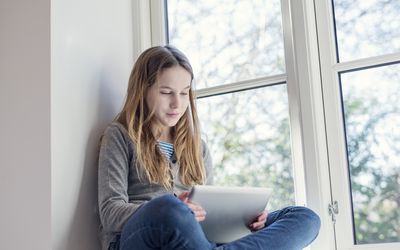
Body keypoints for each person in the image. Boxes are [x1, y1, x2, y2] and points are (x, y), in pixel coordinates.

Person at [98, 45, 321, 250]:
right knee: (168, 209)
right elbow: (110, 212)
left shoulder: (197, 147)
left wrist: (245, 219)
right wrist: (176, 207)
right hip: (140, 237)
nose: (177, 104)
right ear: (143, 91)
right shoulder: (119, 135)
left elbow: (209, 212)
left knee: (305, 218)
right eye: (166, 92)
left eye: (184, 93)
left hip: (195, 237)